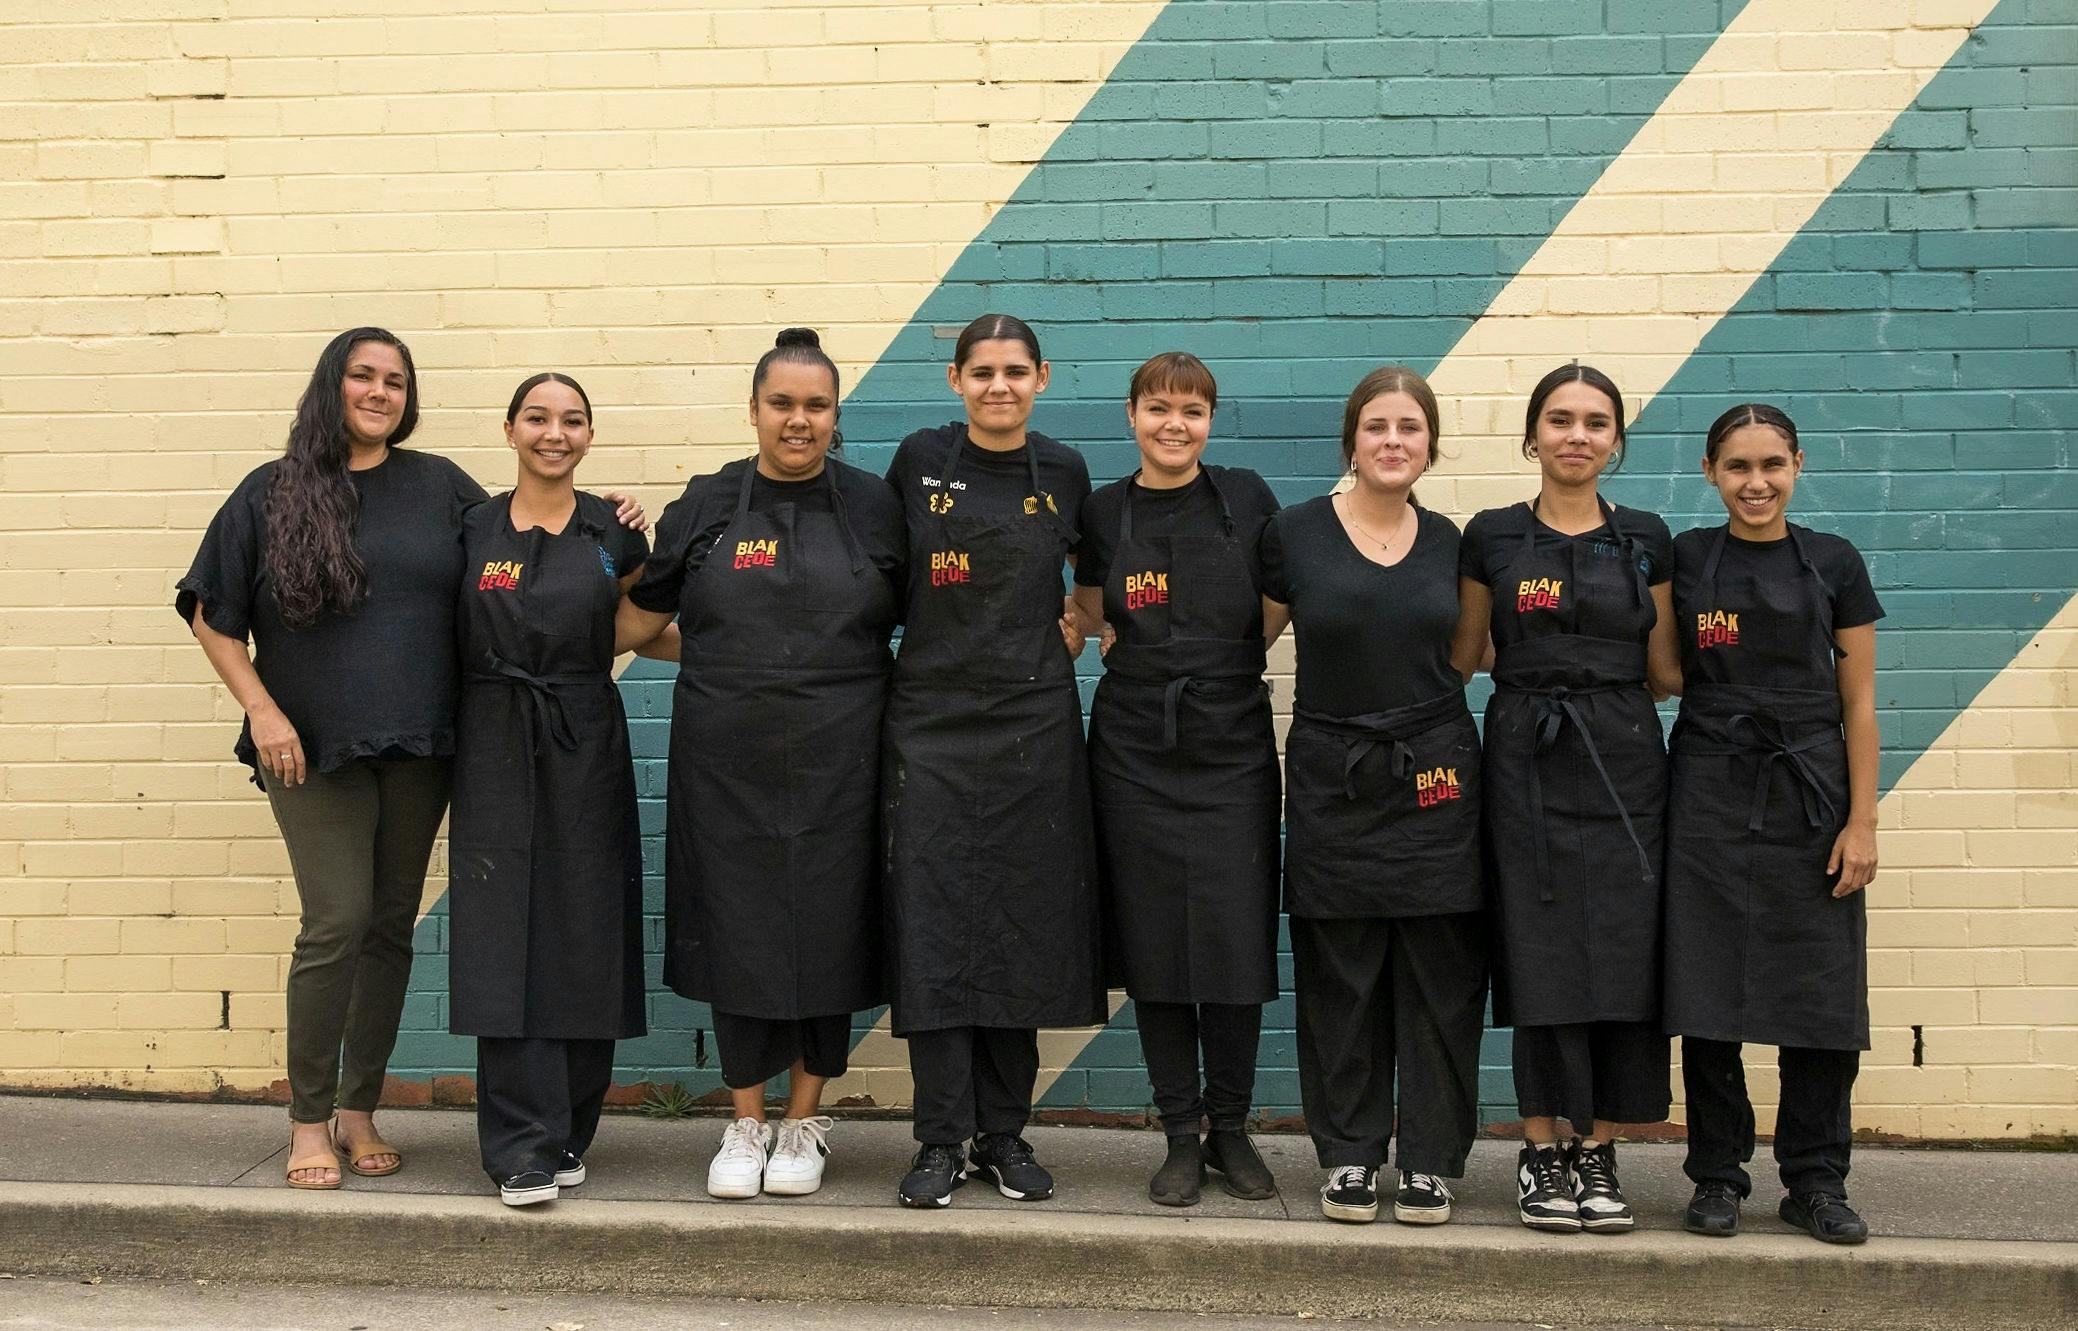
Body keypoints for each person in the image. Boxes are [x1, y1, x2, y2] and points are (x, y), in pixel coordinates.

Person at [177, 327, 643, 1192]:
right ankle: (309, 1119)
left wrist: (609, 525)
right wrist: (264, 710)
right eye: (363, 375)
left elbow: (530, 537)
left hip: (426, 743)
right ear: (333, 385)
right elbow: (212, 613)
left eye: (395, 380)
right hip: (310, 748)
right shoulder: (271, 493)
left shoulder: (439, 490)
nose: (380, 391)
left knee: (390, 924)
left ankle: (359, 1110)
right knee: (338, 920)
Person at [619, 329, 905, 1200]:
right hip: (726, 757)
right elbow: (633, 623)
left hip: (846, 757)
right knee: (734, 928)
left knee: (832, 929)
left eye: (816, 405)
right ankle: (744, 1119)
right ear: (754, 410)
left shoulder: (875, 506)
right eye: (781, 403)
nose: (799, 420)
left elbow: (938, 620)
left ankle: (803, 1119)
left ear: (834, 416)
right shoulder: (707, 502)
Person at [881, 313, 1103, 1208]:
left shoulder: (1067, 471)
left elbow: (1088, 593)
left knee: (1021, 925)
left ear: (1041, 378)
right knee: (933, 925)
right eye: (982, 371)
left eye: (1015, 371)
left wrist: (1076, 633)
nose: (999, 385)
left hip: (1035, 726)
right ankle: (938, 1138)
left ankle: (1005, 1135)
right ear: (956, 381)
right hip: (929, 721)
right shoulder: (916, 460)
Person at [1260, 367, 1489, 1226]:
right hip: (1332, 775)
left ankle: (1429, 1160)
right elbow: (1246, 636)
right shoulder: (1296, 533)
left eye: (1411, 427)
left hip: (1434, 772)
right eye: (1377, 426)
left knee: (1439, 974)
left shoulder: (1453, 542)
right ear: (1351, 439)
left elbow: (1466, 656)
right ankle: (1350, 1155)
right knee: (1341, 974)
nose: (1394, 440)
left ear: (1430, 445)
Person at [1457, 363, 1682, 1233]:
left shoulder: (1647, 538)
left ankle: (1600, 1149)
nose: (1577, 434)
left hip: (1627, 759)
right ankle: (1543, 1150)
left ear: (1616, 439)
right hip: (1525, 756)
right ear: (1532, 435)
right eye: (1559, 419)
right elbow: (1468, 652)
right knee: (1540, 951)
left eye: (1595, 421)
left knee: (1624, 954)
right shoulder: (1493, 536)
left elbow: (1665, 670)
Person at [1068, 353, 1283, 1208]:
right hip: (1133, 745)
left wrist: (1218, 666)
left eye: (1192, 409)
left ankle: (1232, 1129)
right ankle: (1180, 1133)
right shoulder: (1102, 509)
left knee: (1233, 939)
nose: (1175, 424)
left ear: (1210, 419)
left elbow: (1272, 607)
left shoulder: (1248, 497)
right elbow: (1089, 608)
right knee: (1156, 944)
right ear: (1131, 416)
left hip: (1231, 738)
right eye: (1159, 408)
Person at [1664, 404, 1881, 1245]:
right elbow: (1664, 670)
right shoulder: (1685, 557)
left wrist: (1861, 822)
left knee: (1819, 995)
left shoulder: (1836, 562)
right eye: (1737, 467)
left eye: (1771, 465)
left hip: (1812, 795)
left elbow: (1858, 704)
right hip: (1710, 788)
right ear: (1711, 471)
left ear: (1798, 465)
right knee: (1707, 989)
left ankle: (1816, 1178)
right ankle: (1717, 1174)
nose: (1756, 483)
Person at [448, 373, 666, 1207]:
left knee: (585, 921)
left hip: (585, 732)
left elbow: (639, 621)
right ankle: (517, 1145)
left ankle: (570, 1129)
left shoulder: (615, 529)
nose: (555, 432)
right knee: (505, 931)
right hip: (493, 733)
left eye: (572, 419)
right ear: (509, 430)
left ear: (588, 435)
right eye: (537, 418)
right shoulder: (468, 528)